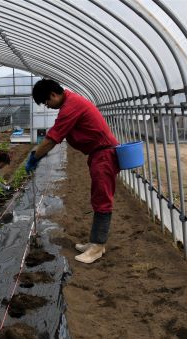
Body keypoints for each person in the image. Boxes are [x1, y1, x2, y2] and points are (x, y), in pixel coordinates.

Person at [26, 78, 120, 264]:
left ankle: (97, 247)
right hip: (99, 155)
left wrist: (35, 156)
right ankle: (94, 242)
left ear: (53, 95)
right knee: (97, 197)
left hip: (104, 156)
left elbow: (53, 138)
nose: (47, 106)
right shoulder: (71, 103)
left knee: (102, 199)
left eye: (46, 102)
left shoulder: (71, 106)